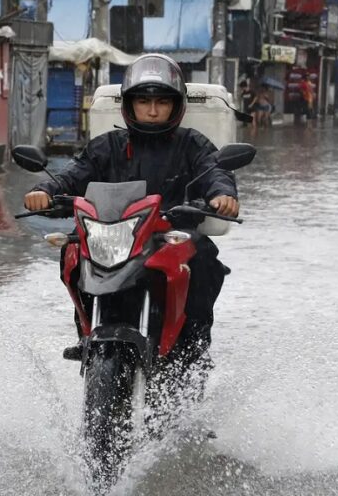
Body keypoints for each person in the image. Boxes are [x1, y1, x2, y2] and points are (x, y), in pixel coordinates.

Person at [24, 54, 239, 369]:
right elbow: (72, 174)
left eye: (162, 102)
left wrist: (223, 195)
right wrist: (43, 191)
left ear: (176, 105)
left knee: (205, 259)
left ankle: (192, 347)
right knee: (72, 248)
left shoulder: (192, 144)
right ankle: (86, 331)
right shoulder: (106, 146)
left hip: (168, 234)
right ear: (129, 105)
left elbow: (215, 171)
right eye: (143, 102)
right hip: (114, 233)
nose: (152, 110)